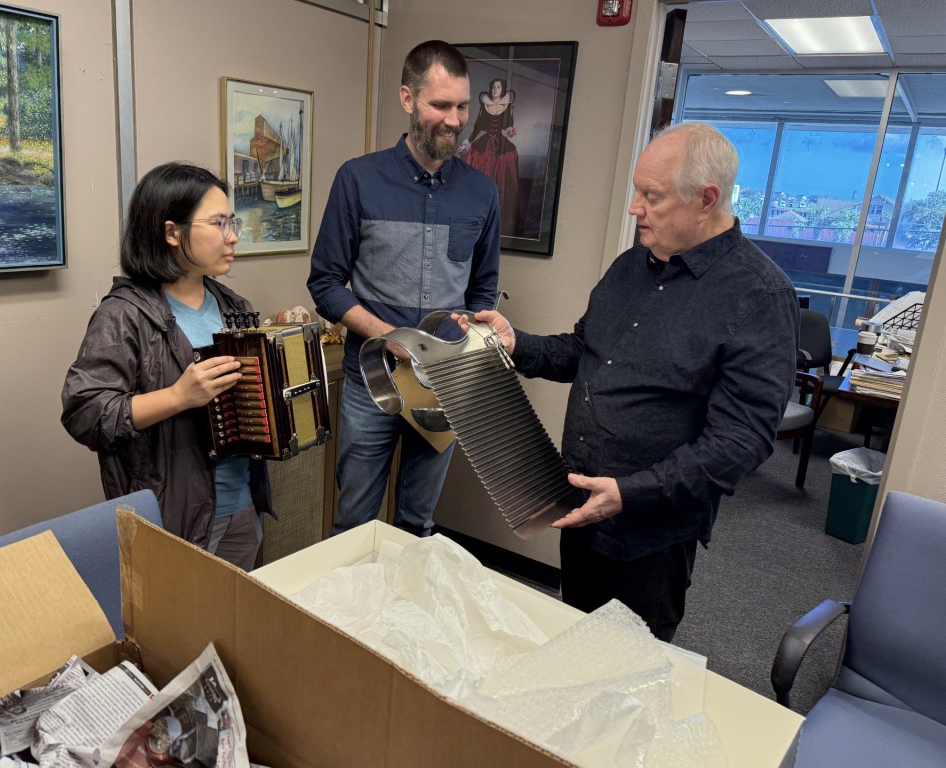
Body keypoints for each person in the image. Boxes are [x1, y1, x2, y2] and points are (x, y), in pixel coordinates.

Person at [459, 122, 799, 641]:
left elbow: (741, 441)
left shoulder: (759, 296)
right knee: (576, 641)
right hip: (580, 507)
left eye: (651, 196)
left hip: (649, 534)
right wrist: (516, 343)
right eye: (636, 191)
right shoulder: (632, 265)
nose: (633, 208)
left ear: (706, 200)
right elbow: (583, 352)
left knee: (630, 672)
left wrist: (630, 493)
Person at [308, 40, 501, 537]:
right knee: (354, 522)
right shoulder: (358, 179)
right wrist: (387, 334)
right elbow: (325, 283)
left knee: (417, 523)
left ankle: (405, 616)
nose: (455, 120)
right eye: (441, 105)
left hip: (444, 384)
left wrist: (477, 330)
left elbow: (483, 290)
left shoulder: (482, 192)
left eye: (462, 106)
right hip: (370, 382)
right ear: (408, 98)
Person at [62, 161, 272, 570]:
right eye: (219, 223)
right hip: (173, 517)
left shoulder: (235, 308)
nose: (233, 237)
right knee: (179, 633)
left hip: (243, 505)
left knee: (229, 631)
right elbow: (84, 413)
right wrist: (178, 396)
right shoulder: (124, 315)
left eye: (233, 223)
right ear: (171, 232)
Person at [459, 77, 520, 235]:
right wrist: (468, 142)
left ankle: (497, 220)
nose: (495, 89)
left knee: (502, 183)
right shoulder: (484, 105)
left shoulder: (508, 106)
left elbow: (508, 127)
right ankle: (477, 219)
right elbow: (478, 128)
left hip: (501, 149)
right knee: (481, 182)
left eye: (498, 87)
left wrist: (510, 132)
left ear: (502, 90)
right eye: (493, 86)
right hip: (484, 147)